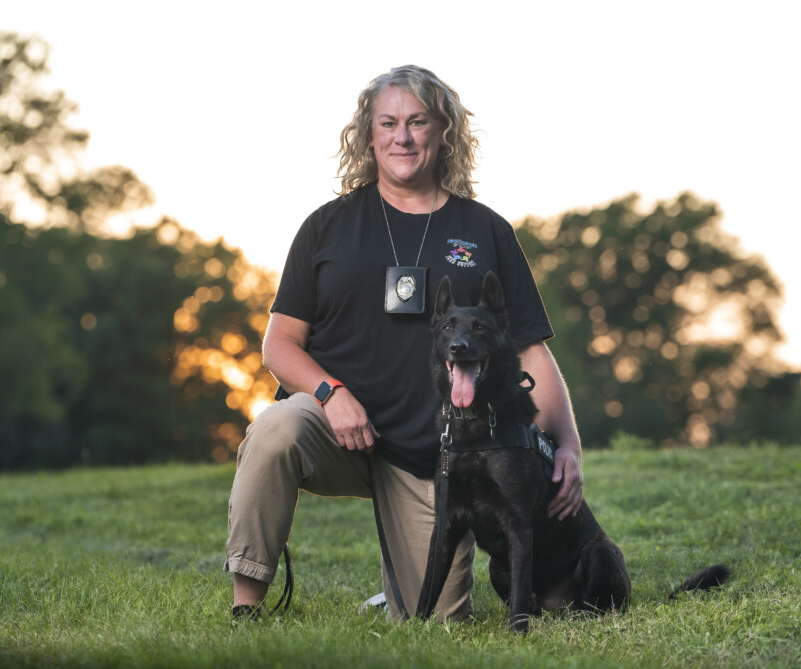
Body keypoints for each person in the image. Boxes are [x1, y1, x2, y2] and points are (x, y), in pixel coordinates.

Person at [225, 65, 584, 621]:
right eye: (388, 123)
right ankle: (245, 608)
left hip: (438, 456)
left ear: (444, 132)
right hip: (338, 429)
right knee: (275, 429)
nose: (404, 136)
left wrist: (567, 446)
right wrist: (330, 394)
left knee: (435, 621)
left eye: (418, 122)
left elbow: (531, 348)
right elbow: (279, 346)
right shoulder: (327, 227)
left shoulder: (486, 230)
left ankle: (394, 593)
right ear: (368, 136)